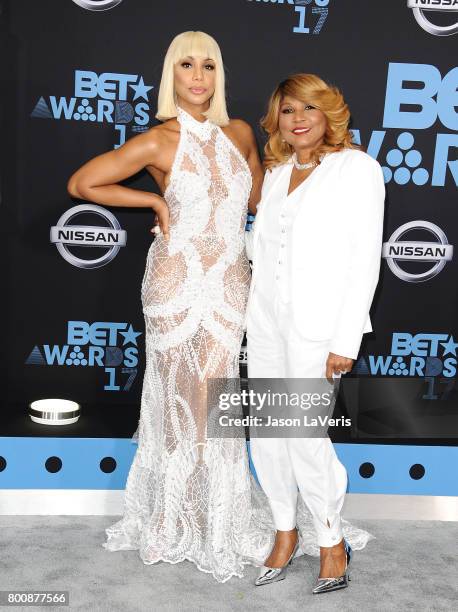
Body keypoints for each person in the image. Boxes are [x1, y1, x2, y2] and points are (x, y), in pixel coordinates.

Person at [67, 30, 267, 583]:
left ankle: (220, 521)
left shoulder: (241, 132)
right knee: (181, 399)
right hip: (175, 281)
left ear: (218, 74)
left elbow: (257, 202)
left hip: (230, 281)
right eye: (186, 65)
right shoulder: (158, 141)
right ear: (171, 74)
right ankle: (172, 519)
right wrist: (153, 198)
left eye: (207, 66)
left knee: (216, 396)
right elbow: (84, 182)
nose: (198, 77)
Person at [245, 73, 384, 593]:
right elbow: (263, 252)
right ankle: (285, 531)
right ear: (276, 120)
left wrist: (345, 340)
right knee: (268, 435)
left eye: (309, 107)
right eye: (287, 110)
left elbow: (364, 260)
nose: (298, 119)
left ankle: (330, 539)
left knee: (304, 435)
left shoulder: (358, 169)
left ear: (329, 113)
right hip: (264, 326)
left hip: (318, 331)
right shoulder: (277, 175)